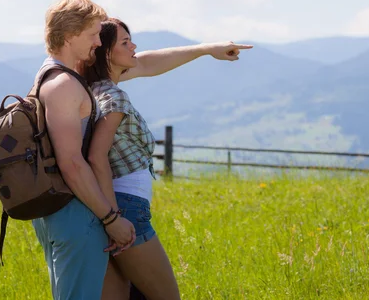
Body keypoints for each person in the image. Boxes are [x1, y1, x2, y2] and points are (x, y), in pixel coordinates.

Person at [84, 18, 252, 299]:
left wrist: (206, 49)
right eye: (125, 42)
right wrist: (113, 217)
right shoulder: (114, 97)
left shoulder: (92, 86)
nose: (134, 46)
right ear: (106, 53)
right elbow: (96, 157)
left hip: (110, 207)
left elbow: (149, 63)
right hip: (126, 210)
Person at [32, 0, 136, 300]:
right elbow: (72, 164)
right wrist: (111, 219)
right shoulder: (64, 86)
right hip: (74, 212)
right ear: (69, 36)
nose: (97, 41)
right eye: (92, 34)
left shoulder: (49, 73)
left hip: (59, 210)